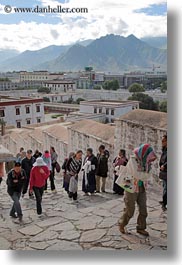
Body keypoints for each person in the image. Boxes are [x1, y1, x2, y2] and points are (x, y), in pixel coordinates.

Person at [118, 144, 157, 236]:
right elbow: (137, 175)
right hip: (131, 187)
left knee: (143, 209)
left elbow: (148, 175)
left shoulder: (146, 162)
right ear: (144, 153)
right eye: (148, 156)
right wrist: (145, 174)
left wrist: (145, 174)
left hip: (141, 187)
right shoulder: (133, 160)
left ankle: (141, 228)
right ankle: (122, 224)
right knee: (130, 210)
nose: (149, 159)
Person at [159, 134, 167, 211]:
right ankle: (164, 201)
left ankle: (164, 204)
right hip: (164, 171)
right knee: (165, 187)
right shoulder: (164, 149)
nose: (162, 142)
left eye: (163, 141)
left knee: (166, 188)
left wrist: (164, 165)